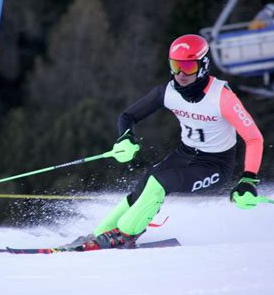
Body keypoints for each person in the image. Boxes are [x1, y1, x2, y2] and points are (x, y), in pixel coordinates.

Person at [76, 34, 264, 250]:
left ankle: (125, 234)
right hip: (184, 154)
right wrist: (126, 137)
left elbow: (253, 137)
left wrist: (248, 180)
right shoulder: (167, 92)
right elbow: (127, 116)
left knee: (161, 182)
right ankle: (102, 232)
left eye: (188, 67)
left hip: (215, 165)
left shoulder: (222, 97)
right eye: (175, 65)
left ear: (202, 66)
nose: (180, 74)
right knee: (148, 180)